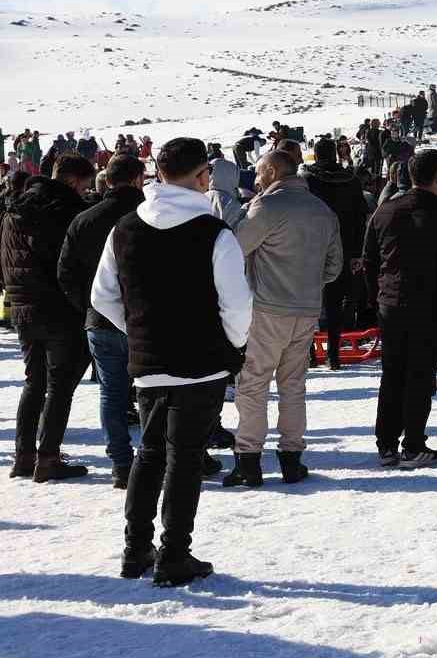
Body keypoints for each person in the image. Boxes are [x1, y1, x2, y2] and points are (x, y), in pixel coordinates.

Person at [91, 138, 253, 585]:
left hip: (149, 360)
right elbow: (237, 306)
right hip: (202, 361)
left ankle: (136, 548)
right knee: (184, 457)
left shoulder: (125, 227)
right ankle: (175, 554)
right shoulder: (214, 233)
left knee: (149, 453)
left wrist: (139, 331)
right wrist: (233, 345)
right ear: (202, 177)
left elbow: (102, 297)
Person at [225, 150, 343, 487]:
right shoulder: (322, 210)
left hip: (267, 309)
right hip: (306, 309)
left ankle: (248, 460)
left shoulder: (266, 207)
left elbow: (235, 248)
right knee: (293, 385)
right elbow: (333, 268)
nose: (256, 178)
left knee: (253, 383)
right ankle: (292, 459)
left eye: (260, 171)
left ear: (274, 171)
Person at [363, 149, 437, 469]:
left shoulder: (385, 210)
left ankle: (386, 444)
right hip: (429, 306)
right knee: (419, 376)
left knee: (393, 374)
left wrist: (376, 297)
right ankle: (413, 444)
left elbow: (369, 260)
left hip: (391, 303)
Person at [3, 153, 96, 481]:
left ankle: (23, 455)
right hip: (58, 308)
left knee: (34, 381)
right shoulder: (63, 210)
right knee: (59, 385)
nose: (86, 192)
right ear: (71, 181)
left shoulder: (14, 208)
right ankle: (48, 457)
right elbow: (69, 264)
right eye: (84, 186)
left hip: (22, 305)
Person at [58, 153, 147, 488]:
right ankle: (153, 457)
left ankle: (121, 462)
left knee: (112, 393)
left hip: (99, 318)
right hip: (144, 318)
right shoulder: (149, 215)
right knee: (152, 391)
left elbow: (65, 272)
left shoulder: (84, 218)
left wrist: (89, 305)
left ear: (107, 180)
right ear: (138, 179)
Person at [302, 138, 370, 369]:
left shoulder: (308, 180)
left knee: (309, 303)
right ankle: (333, 354)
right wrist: (358, 251)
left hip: (313, 248)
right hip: (345, 247)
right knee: (335, 303)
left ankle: (310, 353)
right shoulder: (350, 180)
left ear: (315, 155)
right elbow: (361, 218)